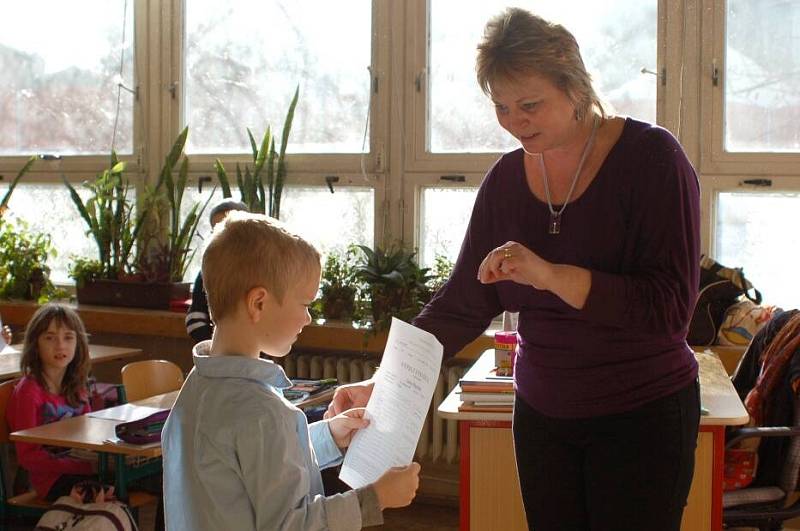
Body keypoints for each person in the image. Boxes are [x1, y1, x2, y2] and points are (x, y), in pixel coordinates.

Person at [327, 8, 701, 531]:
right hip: (543, 416)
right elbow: (462, 301)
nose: (515, 121)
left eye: (530, 105)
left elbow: (669, 311)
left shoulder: (653, 159)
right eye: (501, 107)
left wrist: (549, 275)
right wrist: (384, 387)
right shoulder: (505, 181)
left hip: (642, 415)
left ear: (574, 86)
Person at [162, 211, 420, 531]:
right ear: (259, 303)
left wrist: (328, 436)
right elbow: (290, 524)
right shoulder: (261, 412)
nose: (308, 318)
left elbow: (256, 464)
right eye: (304, 304)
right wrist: (375, 498)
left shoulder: (196, 389)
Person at [7, 303, 96, 501]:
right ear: (35, 345)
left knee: (147, 481)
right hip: (51, 481)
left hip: (83, 470)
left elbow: (89, 436)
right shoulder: (28, 392)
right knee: (110, 495)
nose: (60, 346)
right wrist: (84, 466)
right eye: (49, 338)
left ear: (78, 343)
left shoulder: (77, 388)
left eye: (68, 337)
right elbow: (27, 455)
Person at [185, 199, 249, 343]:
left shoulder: (260, 271)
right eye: (217, 231)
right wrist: (216, 345)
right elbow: (195, 318)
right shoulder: (207, 272)